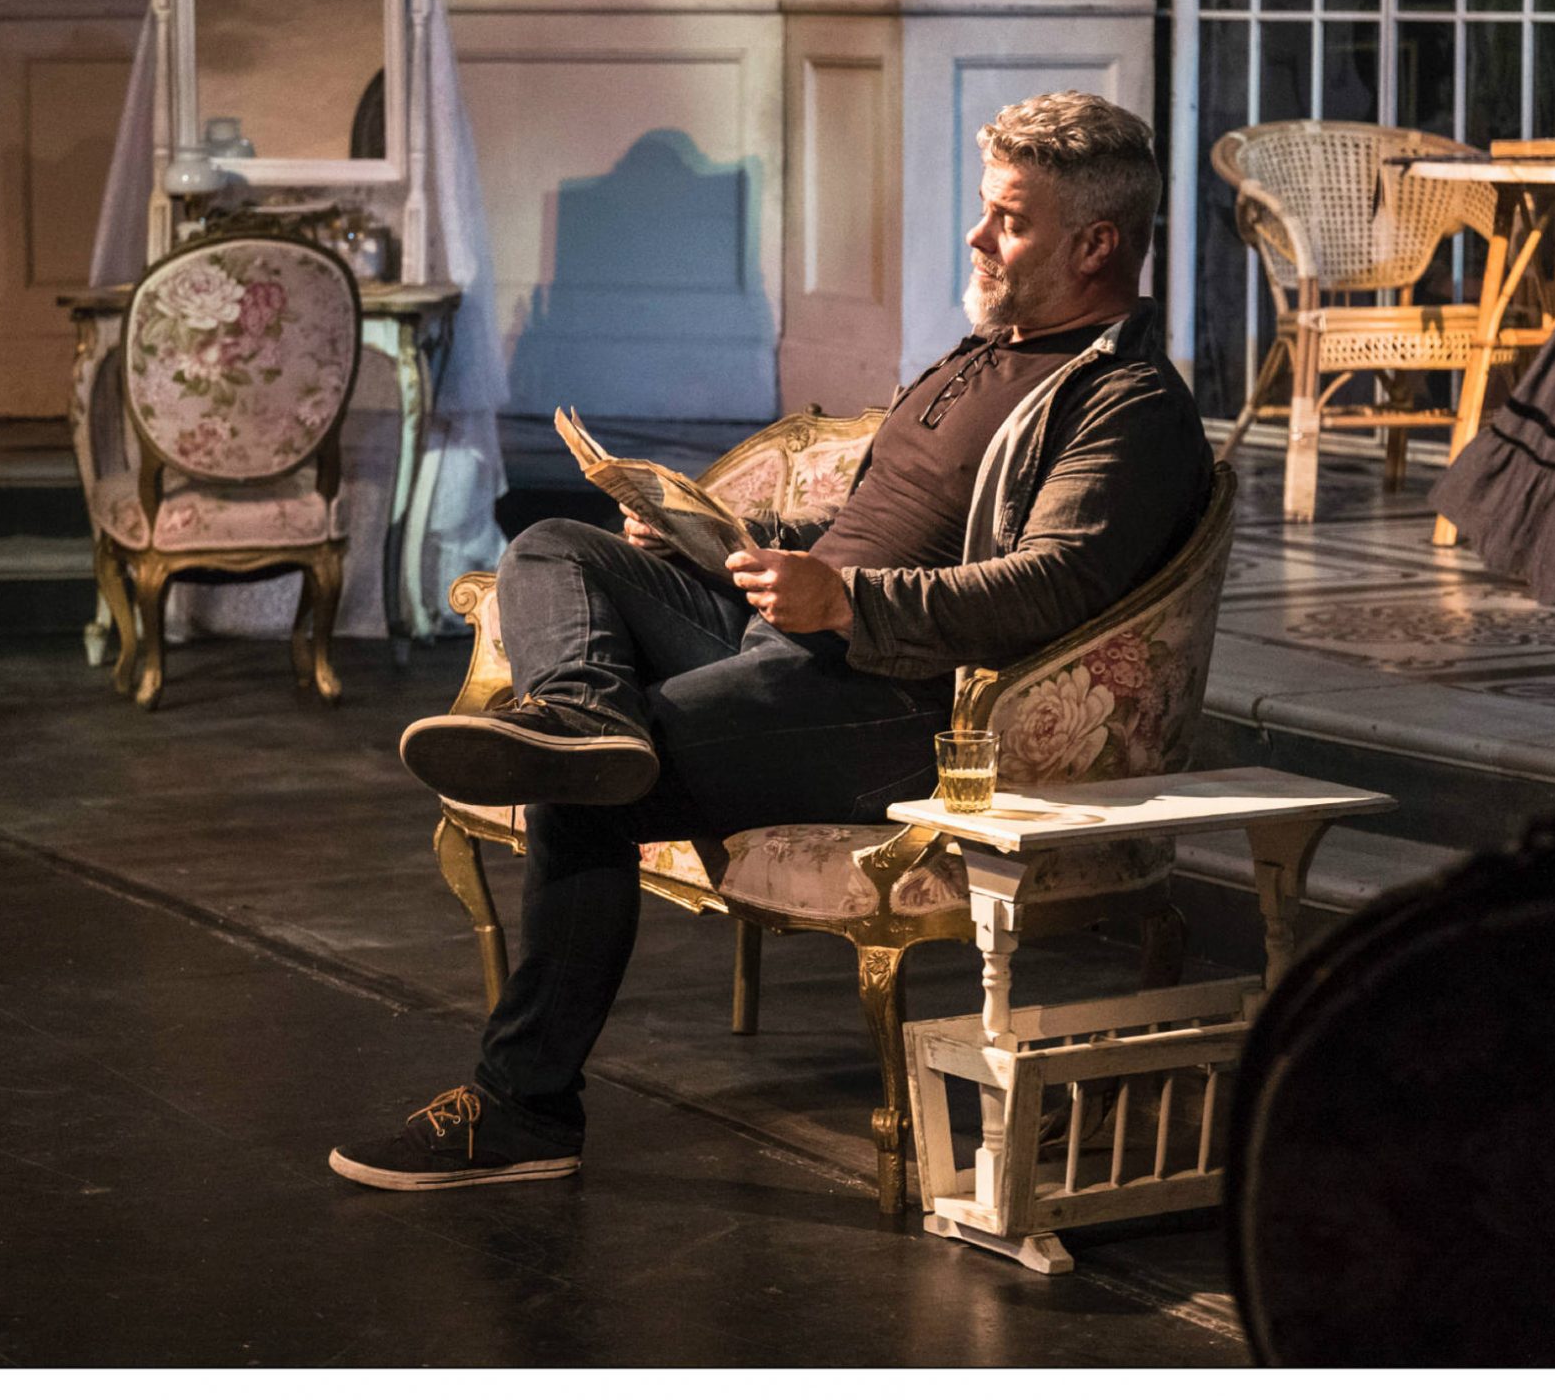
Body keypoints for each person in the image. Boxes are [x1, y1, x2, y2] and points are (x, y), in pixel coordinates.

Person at [330, 91, 1212, 1190]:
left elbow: (1051, 586)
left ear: (1096, 244)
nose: (978, 236)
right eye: (986, 209)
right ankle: (582, 713)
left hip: (900, 701)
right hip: (799, 637)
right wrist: (725, 543)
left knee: (587, 786)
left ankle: (525, 1110)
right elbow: (869, 531)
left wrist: (847, 603)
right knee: (555, 545)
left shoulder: (1125, 400)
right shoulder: (983, 354)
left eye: (1010, 220)